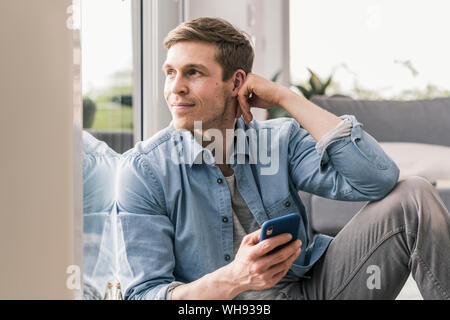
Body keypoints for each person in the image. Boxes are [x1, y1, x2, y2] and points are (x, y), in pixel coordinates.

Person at [116, 17, 450, 300]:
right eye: (170, 72)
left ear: (237, 82)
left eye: (193, 73)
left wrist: (285, 96)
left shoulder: (280, 140)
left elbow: (376, 179)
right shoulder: (144, 170)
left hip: (312, 289)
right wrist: (236, 277)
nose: (175, 87)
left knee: (414, 194)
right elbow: (144, 293)